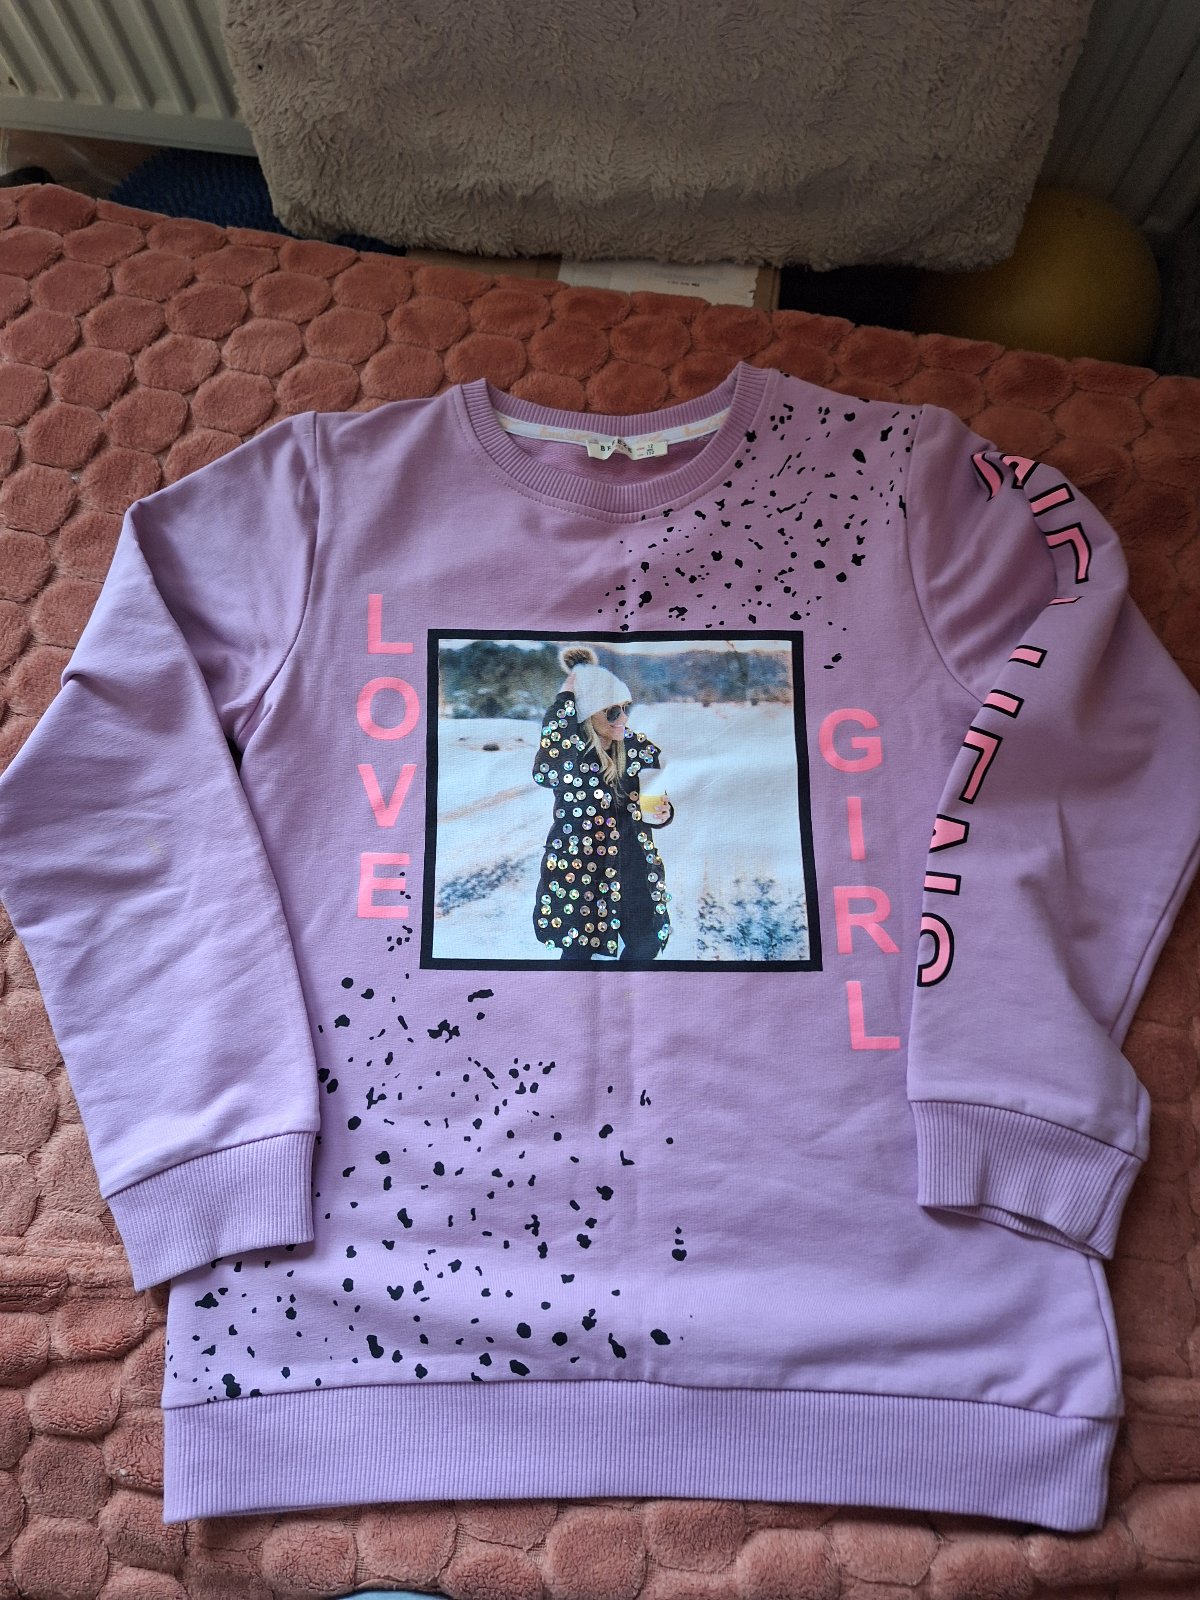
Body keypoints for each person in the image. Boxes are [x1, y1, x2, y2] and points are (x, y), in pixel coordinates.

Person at [531, 644, 675, 964]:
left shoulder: (634, 746)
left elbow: (656, 789)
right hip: (582, 869)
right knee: (577, 953)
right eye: (611, 711)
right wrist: (566, 698)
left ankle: (625, 990)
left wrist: (664, 812)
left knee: (648, 941)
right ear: (586, 714)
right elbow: (547, 765)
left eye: (625, 708)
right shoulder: (571, 754)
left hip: (633, 863)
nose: (622, 718)